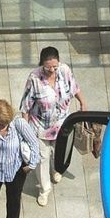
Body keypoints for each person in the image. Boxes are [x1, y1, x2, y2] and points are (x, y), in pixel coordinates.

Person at [19, 46, 86, 207]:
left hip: (63, 123)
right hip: (40, 126)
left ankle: (56, 169)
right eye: (48, 67)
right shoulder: (34, 78)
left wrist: (83, 102)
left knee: (60, 152)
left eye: (54, 66)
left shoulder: (64, 71)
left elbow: (74, 87)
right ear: (42, 64)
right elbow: (25, 106)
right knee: (42, 158)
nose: (52, 70)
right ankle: (44, 189)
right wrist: (25, 131)